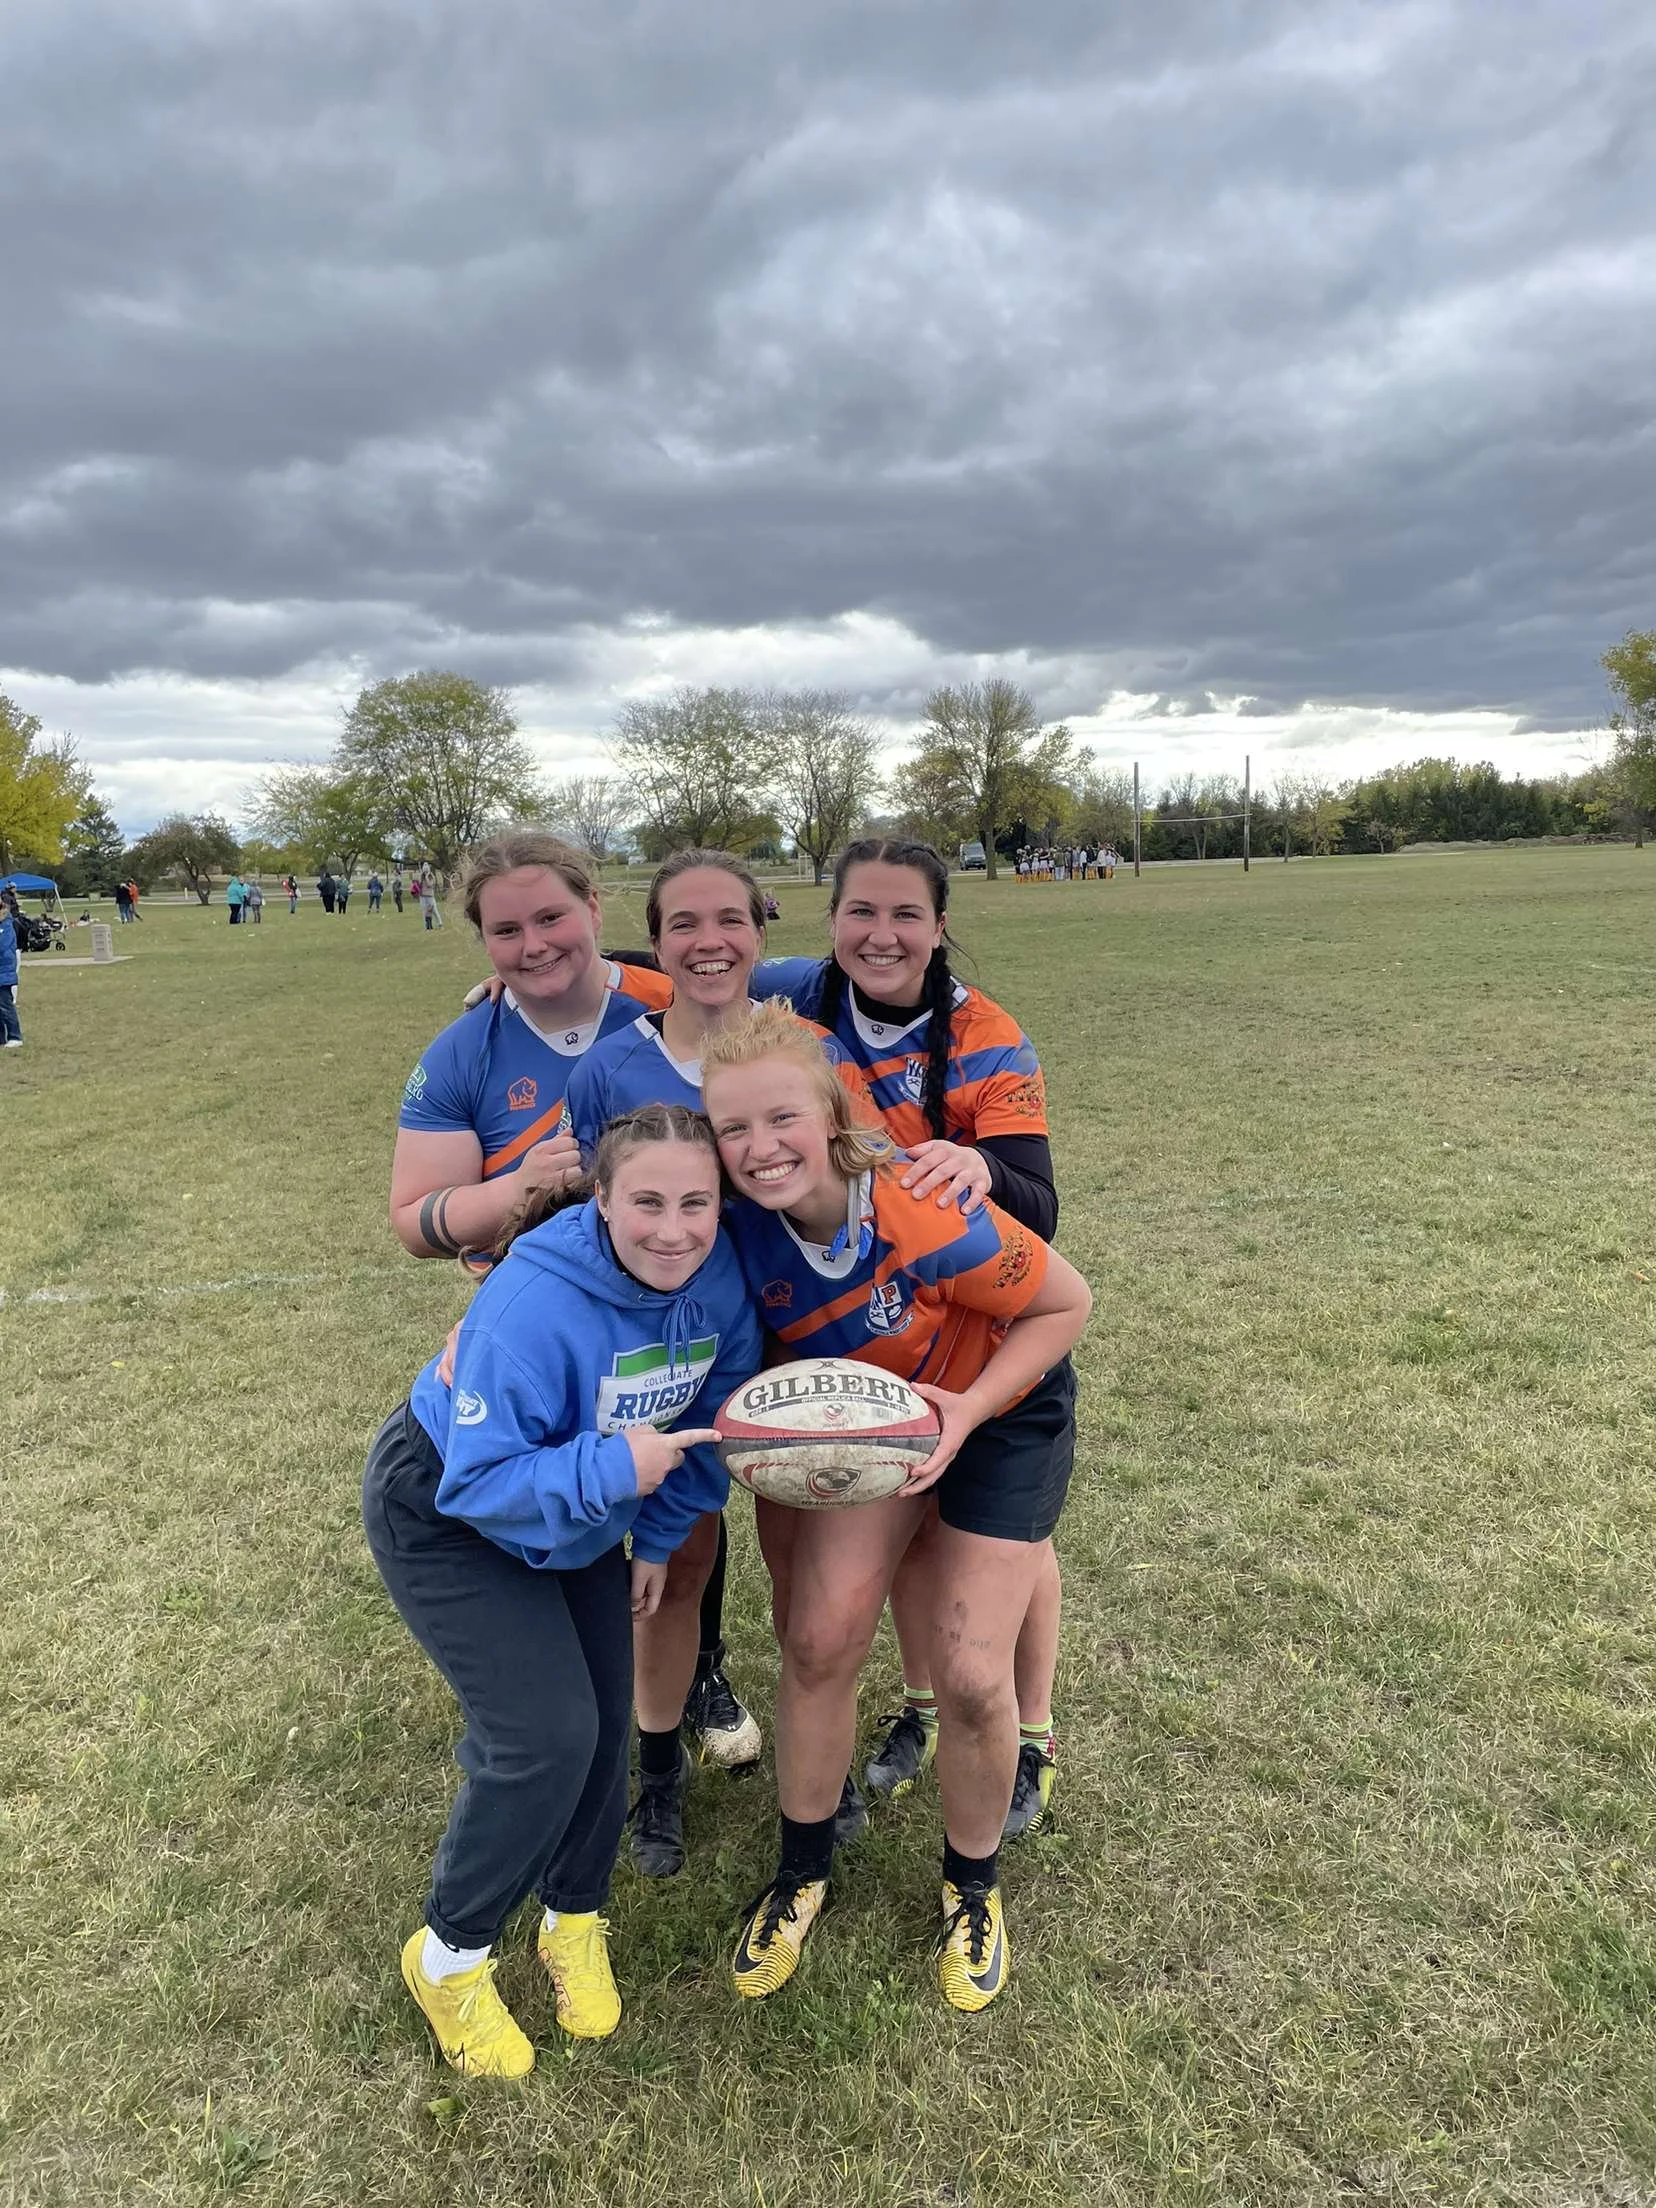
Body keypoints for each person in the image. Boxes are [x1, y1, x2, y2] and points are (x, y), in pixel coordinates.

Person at [700, 1003, 1091, 2011]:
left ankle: (972, 1887)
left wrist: (966, 1411)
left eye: (780, 1118)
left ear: (831, 1115)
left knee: (967, 1672)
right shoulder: (733, 1229)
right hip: (876, 1418)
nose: (758, 1148)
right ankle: (802, 1869)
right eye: (731, 1128)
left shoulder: (917, 1203)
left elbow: (1065, 1303)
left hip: (1000, 1407)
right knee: (821, 1640)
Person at [366, 1105, 762, 2078]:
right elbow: (479, 1481)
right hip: (451, 1505)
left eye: (696, 1204)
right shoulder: (530, 1302)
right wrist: (612, 1474)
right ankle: (450, 1957)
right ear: (604, 1197)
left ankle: (572, 1918)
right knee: (542, 1736)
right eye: (647, 1203)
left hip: (587, 1499)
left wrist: (657, 1534)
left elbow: (705, 1428)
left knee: (604, 1725)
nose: (673, 1229)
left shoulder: (722, 1284)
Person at [560, 850, 869, 1868]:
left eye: (730, 921)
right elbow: (597, 1213)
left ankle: (817, 1767)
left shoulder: (803, 1039)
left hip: (801, 1346)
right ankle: (659, 1770)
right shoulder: (609, 1067)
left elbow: (859, 1154)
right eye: (682, 925)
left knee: (806, 1570)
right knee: (676, 1560)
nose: (708, 943)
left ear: (760, 929)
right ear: (653, 943)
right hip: (676, 1353)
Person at [749, 838, 1063, 1840]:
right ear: (832, 922)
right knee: (892, 1541)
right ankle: (924, 1714)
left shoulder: (987, 1034)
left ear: (938, 928)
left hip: (982, 1320)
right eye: (861, 913)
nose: (881, 934)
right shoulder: (796, 998)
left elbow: (1038, 1204)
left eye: (905, 916)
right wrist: (551, 976)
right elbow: (683, 960)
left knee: (1004, 1544)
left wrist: (975, 1172)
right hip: (876, 1341)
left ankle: (1036, 1739)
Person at [0, 903, 21, 1047]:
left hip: (3, 971)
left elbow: (4, 946)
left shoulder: (6, 925)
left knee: (5, 1005)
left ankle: (15, 1036)